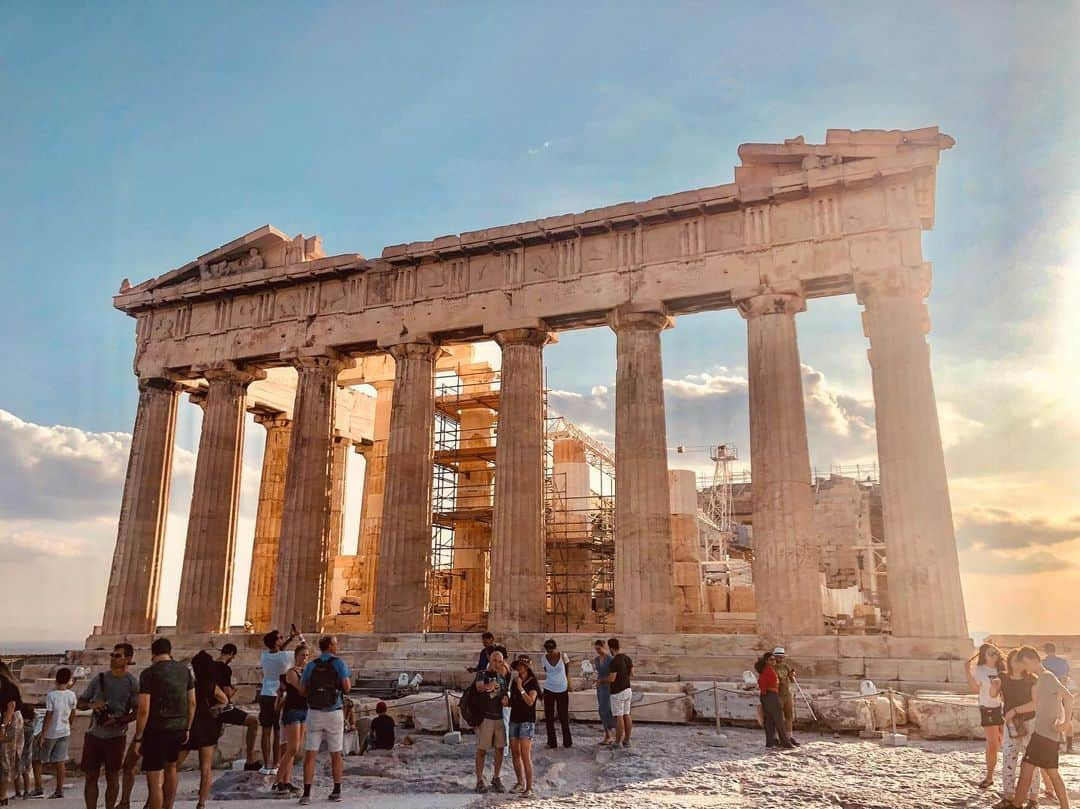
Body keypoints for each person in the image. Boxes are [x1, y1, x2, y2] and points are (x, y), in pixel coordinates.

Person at [1008, 646, 1074, 809]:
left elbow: (1069, 697)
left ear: (1032, 660)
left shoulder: (1046, 677)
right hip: (1045, 734)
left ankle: (1017, 805)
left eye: (1025, 664)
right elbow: (1043, 704)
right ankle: (1064, 807)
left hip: (1045, 735)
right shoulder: (1043, 679)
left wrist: (1065, 723)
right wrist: (1015, 710)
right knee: (1041, 770)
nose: (1025, 668)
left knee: (1036, 769)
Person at [133, 637, 195, 809]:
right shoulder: (184, 671)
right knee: (171, 769)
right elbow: (192, 702)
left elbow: (144, 708)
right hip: (178, 728)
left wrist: (138, 738)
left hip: (155, 731)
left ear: (153, 653)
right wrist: (187, 727)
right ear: (170, 652)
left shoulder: (149, 673)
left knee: (154, 780)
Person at [78, 642, 139, 809]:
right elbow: (80, 702)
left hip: (116, 736)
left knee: (112, 777)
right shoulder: (100, 678)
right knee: (91, 777)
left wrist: (119, 720)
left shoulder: (131, 682)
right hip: (94, 735)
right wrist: (93, 705)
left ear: (128, 658)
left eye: (117, 655)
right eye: (112, 655)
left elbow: (137, 711)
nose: (113, 658)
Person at [298, 635, 351, 805]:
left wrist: (314, 696)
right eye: (335, 643)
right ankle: (336, 790)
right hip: (334, 711)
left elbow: (301, 690)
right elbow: (347, 687)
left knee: (310, 754)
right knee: (336, 754)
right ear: (329, 646)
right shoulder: (339, 663)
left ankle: (306, 794)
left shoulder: (311, 665)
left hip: (314, 712)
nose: (337, 646)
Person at [177, 652, 228, 809]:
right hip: (207, 724)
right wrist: (214, 708)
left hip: (190, 724)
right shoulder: (210, 685)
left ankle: (165, 797)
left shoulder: (188, 683)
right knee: (205, 768)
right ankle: (201, 804)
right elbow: (225, 700)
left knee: (174, 765)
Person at [995, 648, 1040, 809]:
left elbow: (1035, 703)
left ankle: (1033, 799)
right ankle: (1008, 797)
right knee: (1008, 758)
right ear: (1009, 661)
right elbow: (993, 693)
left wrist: (1015, 710)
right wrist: (994, 686)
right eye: (1015, 660)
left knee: (1031, 761)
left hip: (1029, 722)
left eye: (1021, 661)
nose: (1018, 664)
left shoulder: (1032, 680)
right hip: (1010, 725)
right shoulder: (1002, 677)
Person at [260, 626, 302, 776]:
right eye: (280, 638)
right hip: (279, 695)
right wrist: (298, 637)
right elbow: (303, 650)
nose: (282, 639)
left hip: (265, 694)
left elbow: (277, 650)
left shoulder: (264, 655)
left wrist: (288, 639)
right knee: (278, 732)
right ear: (276, 642)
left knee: (266, 731)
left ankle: (266, 765)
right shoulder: (286, 657)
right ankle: (276, 764)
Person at [213, 643, 262, 770]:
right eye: (233, 656)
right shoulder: (225, 669)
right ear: (231, 654)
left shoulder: (210, 667)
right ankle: (250, 760)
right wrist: (234, 690)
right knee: (253, 722)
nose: (232, 659)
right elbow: (227, 692)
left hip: (210, 708)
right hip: (223, 708)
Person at [967, 643, 1006, 788]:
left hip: (1004, 708)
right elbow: (975, 689)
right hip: (988, 708)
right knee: (992, 744)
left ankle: (1008, 775)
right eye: (991, 653)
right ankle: (989, 776)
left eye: (996, 652)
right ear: (984, 655)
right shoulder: (980, 670)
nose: (994, 655)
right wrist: (967, 671)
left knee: (1008, 743)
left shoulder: (1003, 669)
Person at [35, 667, 77, 799]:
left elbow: (49, 716)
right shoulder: (71, 695)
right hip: (64, 731)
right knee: (60, 761)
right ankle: (59, 790)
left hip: (51, 732)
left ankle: (38, 789)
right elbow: (73, 713)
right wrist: (68, 724)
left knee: (37, 760)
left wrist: (42, 735)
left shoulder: (52, 695)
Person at [273, 644, 309, 795]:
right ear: (296, 657)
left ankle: (285, 782)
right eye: (302, 655)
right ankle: (277, 781)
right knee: (292, 748)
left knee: (295, 749)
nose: (305, 658)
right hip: (292, 711)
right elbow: (301, 690)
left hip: (303, 711)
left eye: (307, 655)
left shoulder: (305, 672)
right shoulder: (291, 672)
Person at [474, 649, 510, 794]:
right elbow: (478, 686)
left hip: (499, 717)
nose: (497, 664)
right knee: (482, 750)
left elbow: (505, 692)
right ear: (490, 660)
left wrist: (506, 698)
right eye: (495, 660)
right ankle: (479, 780)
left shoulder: (501, 677)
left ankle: (496, 777)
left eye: (500, 661)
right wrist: (486, 686)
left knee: (500, 748)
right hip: (486, 718)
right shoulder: (482, 674)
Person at [508, 657, 540, 797]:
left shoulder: (532, 683)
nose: (519, 668)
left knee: (526, 755)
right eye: (518, 666)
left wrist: (521, 688)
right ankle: (520, 782)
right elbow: (512, 701)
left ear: (527, 667)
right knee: (515, 753)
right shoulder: (514, 682)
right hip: (514, 719)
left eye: (522, 666)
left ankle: (529, 787)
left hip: (527, 720)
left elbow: (530, 702)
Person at [0, 660, 25, 807]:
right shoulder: (9, 683)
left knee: (5, 758)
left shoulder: (5, 684)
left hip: (10, 721)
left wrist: (3, 726)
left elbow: (11, 706)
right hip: (11, 720)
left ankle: (2, 794)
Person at [757, 652, 794, 749]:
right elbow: (762, 682)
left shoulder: (768, 669)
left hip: (768, 695)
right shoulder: (768, 670)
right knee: (779, 720)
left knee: (769, 720)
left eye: (774, 659)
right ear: (766, 661)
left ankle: (770, 742)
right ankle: (785, 743)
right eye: (771, 659)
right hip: (771, 695)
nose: (774, 661)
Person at [541, 639, 572, 749]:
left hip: (562, 688)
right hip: (549, 688)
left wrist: (566, 681)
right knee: (549, 717)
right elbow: (546, 670)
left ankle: (567, 742)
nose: (550, 651)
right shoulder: (544, 658)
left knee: (563, 716)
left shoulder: (563, 655)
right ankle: (552, 742)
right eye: (548, 649)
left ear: (555, 647)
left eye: (551, 649)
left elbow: (567, 669)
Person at [606, 638, 634, 748]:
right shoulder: (627, 658)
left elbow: (612, 679)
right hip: (628, 689)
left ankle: (617, 742)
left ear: (611, 648)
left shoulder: (614, 661)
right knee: (627, 714)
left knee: (619, 717)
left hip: (617, 692)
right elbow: (632, 674)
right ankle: (626, 740)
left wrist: (601, 681)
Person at [772, 646, 799, 742]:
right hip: (777, 694)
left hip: (787, 694)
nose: (780, 658)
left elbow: (791, 680)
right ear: (774, 657)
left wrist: (792, 675)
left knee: (789, 716)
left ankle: (789, 736)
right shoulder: (772, 667)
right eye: (778, 656)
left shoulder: (786, 666)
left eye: (782, 656)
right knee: (777, 717)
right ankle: (775, 737)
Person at [592, 640, 616, 745]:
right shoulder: (596, 660)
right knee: (602, 709)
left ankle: (610, 733)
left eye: (599, 648)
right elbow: (597, 672)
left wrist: (601, 681)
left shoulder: (610, 659)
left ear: (603, 647)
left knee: (606, 709)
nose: (597, 651)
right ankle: (608, 733)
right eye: (596, 649)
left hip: (608, 686)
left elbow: (612, 675)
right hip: (600, 687)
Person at [15, 704, 36, 800]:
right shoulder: (32, 725)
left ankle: (17, 792)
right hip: (28, 752)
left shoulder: (20, 726)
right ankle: (26, 792)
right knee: (26, 772)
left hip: (19, 750)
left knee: (16, 773)